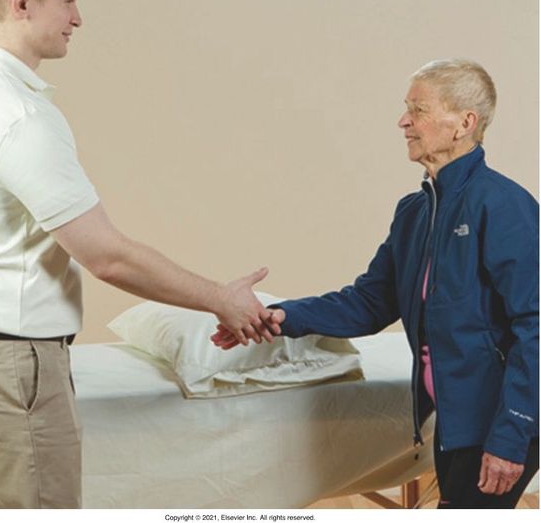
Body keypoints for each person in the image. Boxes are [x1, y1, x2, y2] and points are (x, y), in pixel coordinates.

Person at [0, 0, 280, 509]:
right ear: (21, 2)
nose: (79, 17)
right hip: (13, 369)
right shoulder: (16, 115)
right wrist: (220, 299)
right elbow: (107, 255)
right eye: (68, 0)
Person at [212, 59, 539, 508]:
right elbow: (369, 302)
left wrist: (511, 434)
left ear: (466, 123)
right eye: (407, 109)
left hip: (501, 417)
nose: (403, 121)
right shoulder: (415, 212)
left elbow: (535, 325)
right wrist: (279, 316)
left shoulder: (504, 206)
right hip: (457, 417)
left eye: (418, 110)